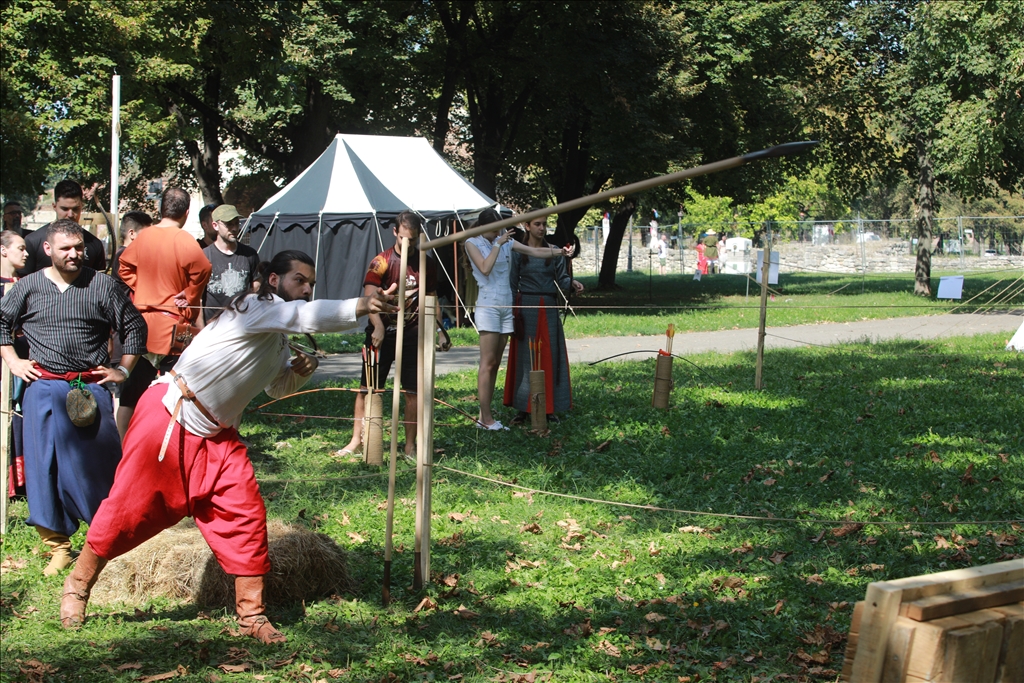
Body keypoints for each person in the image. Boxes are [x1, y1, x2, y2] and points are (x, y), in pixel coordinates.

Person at [58, 250, 397, 643]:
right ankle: (78, 584)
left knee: (246, 516)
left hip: (218, 439)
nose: (305, 289)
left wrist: (300, 373)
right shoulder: (257, 307)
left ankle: (251, 616)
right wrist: (360, 304)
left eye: (310, 283)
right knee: (128, 511)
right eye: (299, 280)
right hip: (171, 417)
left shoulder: (277, 338)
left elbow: (275, 386)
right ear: (273, 281)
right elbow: (304, 316)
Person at [0, 220, 146, 575]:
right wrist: (13, 360)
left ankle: (107, 542)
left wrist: (122, 371)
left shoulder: (102, 285)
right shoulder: (29, 287)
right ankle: (58, 547)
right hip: (43, 389)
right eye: (66, 248)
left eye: (78, 247)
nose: (74, 254)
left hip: (89, 389)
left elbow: (135, 327)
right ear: (48, 249)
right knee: (42, 469)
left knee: (99, 468)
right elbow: (2, 322)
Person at [339, 211, 439, 457]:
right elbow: (370, 298)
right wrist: (379, 327)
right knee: (368, 388)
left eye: (413, 240)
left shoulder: (425, 261)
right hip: (381, 333)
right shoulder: (381, 261)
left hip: (412, 333)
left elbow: (432, 297)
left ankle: (409, 446)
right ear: (395, 232)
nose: (408, 245)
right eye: (404, 239)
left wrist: (437, 329)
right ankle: (357, 441)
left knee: (413, 392)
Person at [116, 187, 212, 438]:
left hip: (141, 324)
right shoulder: (183, 240)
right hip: (172, 327)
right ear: (187, 212)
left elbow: (123, 266)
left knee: (131, 392)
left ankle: (123, 448)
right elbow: (204, 269)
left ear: (160, 210)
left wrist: (143, 289)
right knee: (176, 389)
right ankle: (165, 442)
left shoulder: (144, 236)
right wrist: (189, 295)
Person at [464, 209, 568, 430]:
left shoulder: (507, 242)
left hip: (506, 306)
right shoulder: (472, 243)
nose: (499, 231)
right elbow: (484, 268)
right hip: (489, 306)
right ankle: (485, 418)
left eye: (500, 227)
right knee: (487, 363)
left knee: (495, 365)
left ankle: (487, 416)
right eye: (494, 229)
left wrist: (561, 253)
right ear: (484, 228)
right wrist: (498, 244)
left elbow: (534, 252)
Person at [503, 215, 583, 424]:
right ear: (527, 226)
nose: (542, 228)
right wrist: (513, 312)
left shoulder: (554, 250)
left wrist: (572, 282)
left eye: (544, 224)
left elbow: (562, 278)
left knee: (549, 355)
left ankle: (549, 408)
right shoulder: (520, 251)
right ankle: (523, 408)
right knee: (525, 358)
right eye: (537, 224)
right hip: (525, 305)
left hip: (548, 306)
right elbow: (512, 283)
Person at [20, 180, 107, 276]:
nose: (70, 215)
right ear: (54, 206)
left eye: (75, 209)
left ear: (81, 206)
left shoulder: (94, 244)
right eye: (65, 209)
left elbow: (99, 283)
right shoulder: (33, 241)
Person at [1, 230, 29, 499]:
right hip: (4, 361)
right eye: (20, 248)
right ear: (3, 251)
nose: (26, 252)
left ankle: (18, 484)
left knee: (18, 413)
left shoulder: (25, 284)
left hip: (23, 360)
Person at [202, 205, 260, 324]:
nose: (234, 228)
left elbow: (256, 292)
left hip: (241, 326)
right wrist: (201, 331)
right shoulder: (204, 256)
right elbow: (197, 299)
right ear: (215, 226)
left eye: (236, 223)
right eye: (229, 224)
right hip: (213, 328)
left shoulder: (250, 255)